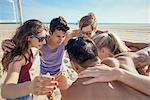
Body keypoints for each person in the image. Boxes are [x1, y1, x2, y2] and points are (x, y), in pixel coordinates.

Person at [61, 36, 150, 100]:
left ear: (74, 65)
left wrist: (63, 90)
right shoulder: (123, 60)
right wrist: (119, 73)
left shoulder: (77, 89)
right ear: (96, 54)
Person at [1, 19, 58, 99]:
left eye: (45, 38)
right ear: (29, 38)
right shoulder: (19, 58)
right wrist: (30, 87)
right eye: (41, 39)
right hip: (18, 95)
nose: (44, 42)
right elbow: (5, 91)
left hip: (25, 91)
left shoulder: (29, 48)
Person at [78, 12, 149, 51]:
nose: (85, 36)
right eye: (83, 33)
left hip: (114, 44)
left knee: (130, 46)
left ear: (95, 29)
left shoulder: (100, 37)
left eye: (88, 33)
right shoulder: (78, 34)